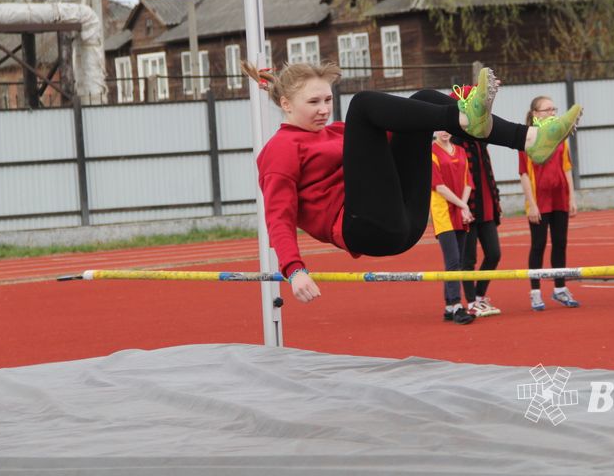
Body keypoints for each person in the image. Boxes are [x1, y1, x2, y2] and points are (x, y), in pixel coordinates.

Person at [249, 62, 581, 303]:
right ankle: (468, 114)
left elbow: (405, 122)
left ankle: (530, 139)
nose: (324, 110)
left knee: (423, 98)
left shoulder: (335, 133)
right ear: (286, 104)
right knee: (363, 105)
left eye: (327, 100)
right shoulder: (279, 150)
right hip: (365, 228)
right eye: (313, 102)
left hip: (404, 220)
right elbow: (278, 216)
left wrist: (460, 101)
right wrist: (294, 269)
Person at [518, 96, 580, 311]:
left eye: (554, 109)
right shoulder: (527, 138)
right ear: (535, 113)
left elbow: (567, 168)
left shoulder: (560, 136)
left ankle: (560, 289)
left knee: (560, 244)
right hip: (539, 201)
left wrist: (572, 197)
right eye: (547, 109)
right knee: (538, 245)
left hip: (559, 199)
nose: (552, 112)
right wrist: (531, 203)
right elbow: (524, 174)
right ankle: (535, 292)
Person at [450, 126, 502, 318]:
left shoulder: (481, 140)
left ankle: (479, 296)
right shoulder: (457, 142)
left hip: (487, 208)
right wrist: (462, 207)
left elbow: (488, 173)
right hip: (468, 208)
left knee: (494, 254)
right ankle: (471, 303)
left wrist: (496, 202)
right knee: (468, 260)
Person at [430, 130, 476, 325]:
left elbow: (468, 182)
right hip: (443, 212)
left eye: (447, 128)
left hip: (459, 211)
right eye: (440, 128)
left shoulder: (460, 150)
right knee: (453, 260)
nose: (445, 132)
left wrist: (463, 206)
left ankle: (449, 306)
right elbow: (439, 186)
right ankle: (457, 305)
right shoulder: (431, 152)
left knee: (456, 261)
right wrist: (463, 205)